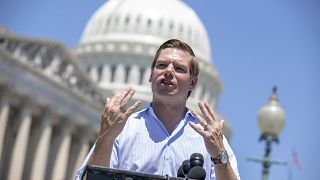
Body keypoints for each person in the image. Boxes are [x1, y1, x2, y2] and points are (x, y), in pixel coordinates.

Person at [76, 39, 240, 180]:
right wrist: (106, 136)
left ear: (193, 83)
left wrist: (219, 156)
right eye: (161, 65)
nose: (168, 71)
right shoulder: (123, 129)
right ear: (150, 75)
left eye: (179, 68)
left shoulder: (210, 140)